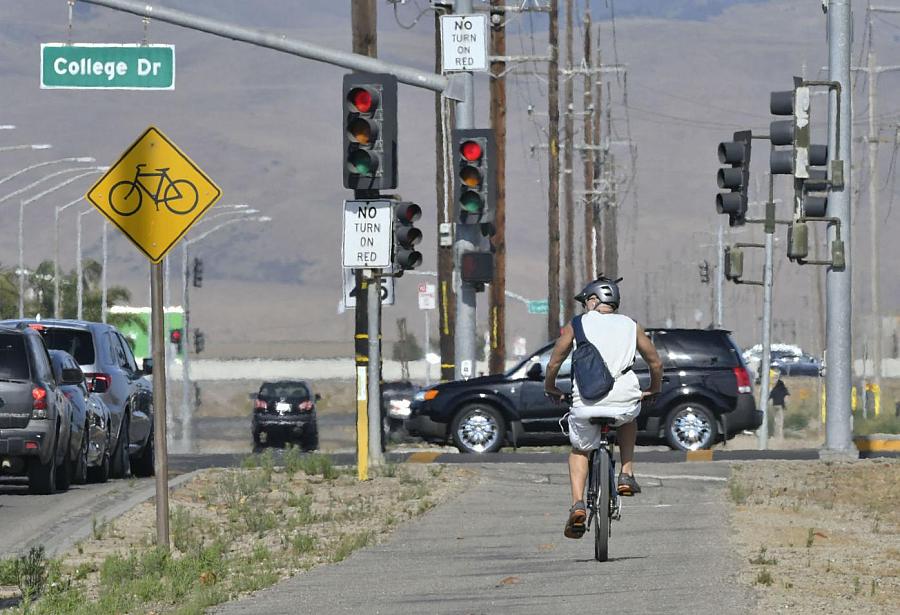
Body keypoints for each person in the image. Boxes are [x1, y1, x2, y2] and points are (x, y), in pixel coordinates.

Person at [544, 277, 663, 539]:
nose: (586, 306)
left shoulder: (577, 324)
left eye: (586, 301)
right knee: (628, 418)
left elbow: (554, 363)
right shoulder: (631, 326)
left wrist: (551, 387)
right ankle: (626, 474)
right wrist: (654, 389)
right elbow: (655, 363)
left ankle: (577, 505)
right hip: (624, 399)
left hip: (586, 401)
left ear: (594, 300)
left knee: (580, 450)